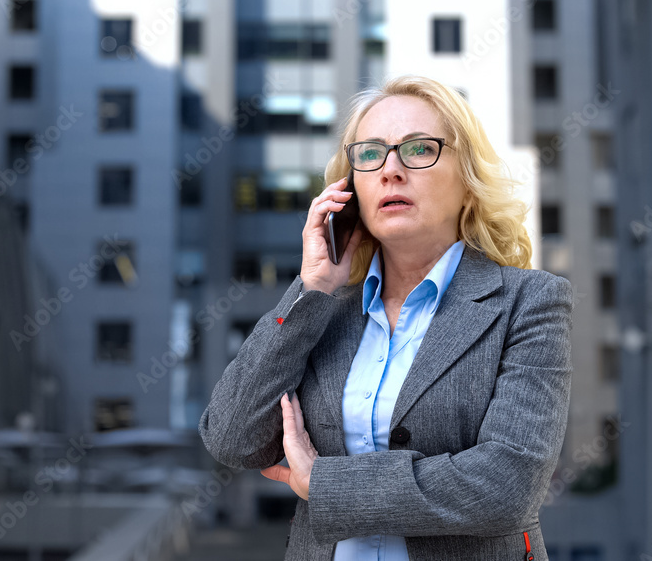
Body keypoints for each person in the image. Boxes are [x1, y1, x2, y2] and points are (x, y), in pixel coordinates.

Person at [198, 74, 573, 561]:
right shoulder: (325, 309)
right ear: (350, 187)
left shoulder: (531, 302)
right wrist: (312, 286)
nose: (391, 170)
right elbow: (232, 439)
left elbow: (504, 485)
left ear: (467, 177)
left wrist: (325, 484)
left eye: (419, 149)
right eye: (371, 153)